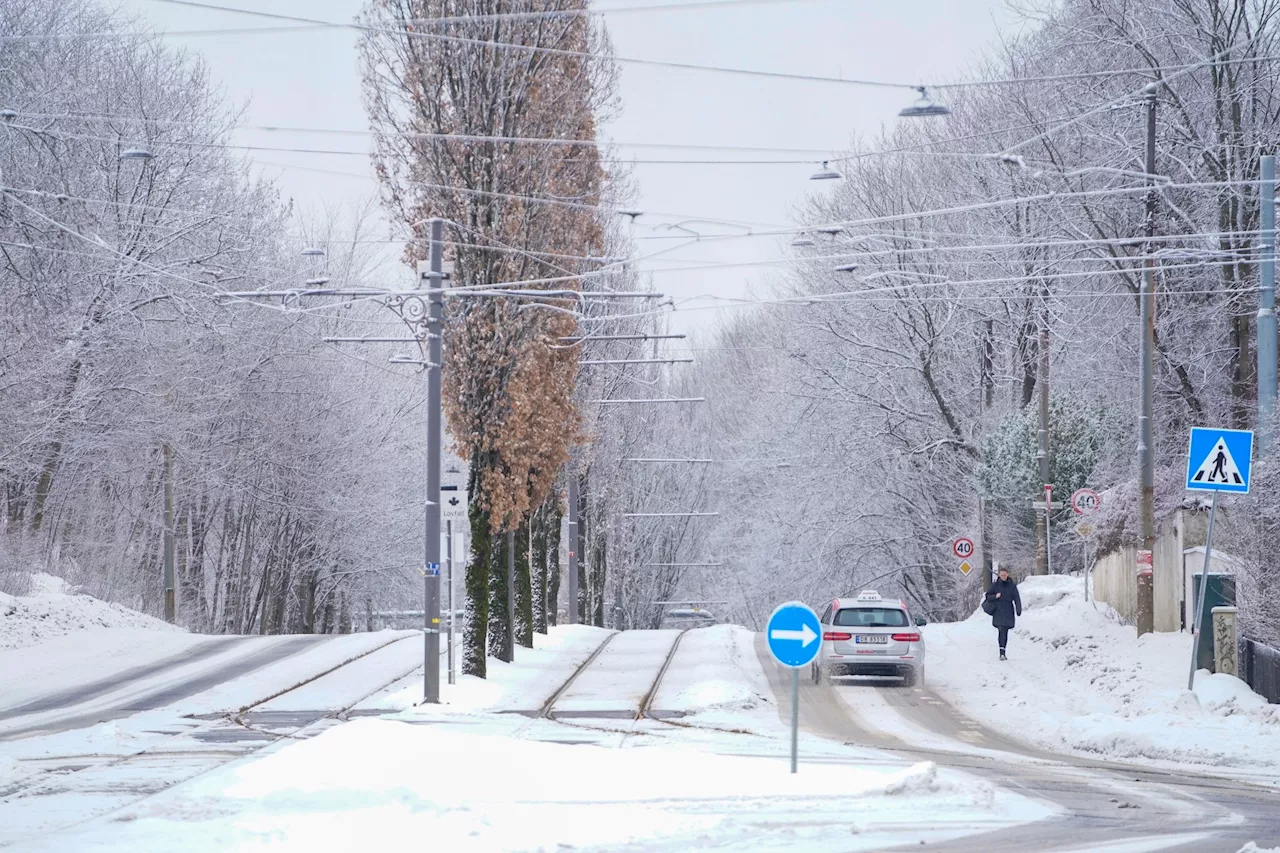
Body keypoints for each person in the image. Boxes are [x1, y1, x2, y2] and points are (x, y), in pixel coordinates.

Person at [984, 567, 1022, 661]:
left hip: (1008, 611)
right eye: (1001, 575)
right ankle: (1002, 652)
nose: (1003, 576)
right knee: (1001, 631)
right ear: (999, 575)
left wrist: (1018, 609)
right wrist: (995, 596)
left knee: (1005, 631)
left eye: (1004, 575)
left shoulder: (1012, 586)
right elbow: (988, 596)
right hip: (998, 611)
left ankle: (1003, 650)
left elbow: (1016, 598)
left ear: (1007, 575)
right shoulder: (995, 585)